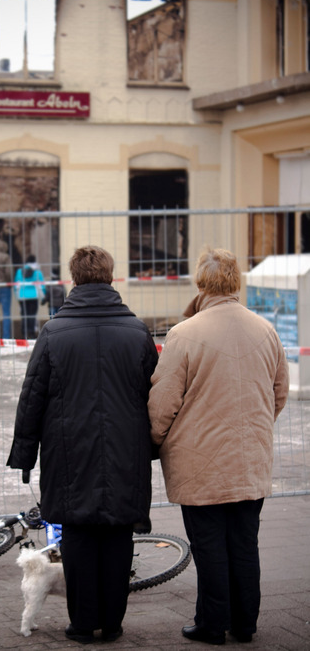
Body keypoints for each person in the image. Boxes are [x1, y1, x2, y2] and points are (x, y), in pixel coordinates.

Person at [7, 245, 158, 644]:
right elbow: (155, 395)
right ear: (111, 276)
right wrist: (156, 446)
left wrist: (24, 453)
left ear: (73, 278)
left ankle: (82, 623)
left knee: (75, 537)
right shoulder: (137, 332)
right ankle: (112, 624)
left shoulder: (54, 332)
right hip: (126, 454)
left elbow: (32, 396)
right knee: (117, 538)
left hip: (68, 454)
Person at [147, 247, 289, 646]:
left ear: (200, 282)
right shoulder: (266, 330)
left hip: (199, 463)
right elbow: (279, 393)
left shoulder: (184, 333)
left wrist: (154, 442)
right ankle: (245, 625)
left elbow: (163, 403)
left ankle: (212, 624)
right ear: (236, 282)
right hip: (250, 460)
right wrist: (253, 429)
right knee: (245, 543)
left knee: (209, 547)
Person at [13, 255, 46, 339]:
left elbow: (16, 285)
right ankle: (31, 333)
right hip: (33, 296)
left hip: (22, 296)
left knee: (24, 314)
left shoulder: (19, 271)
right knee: (32, 315)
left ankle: (24, 333)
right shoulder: (38, 272)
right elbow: (41, 286)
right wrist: (43, 297)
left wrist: (17, 295)